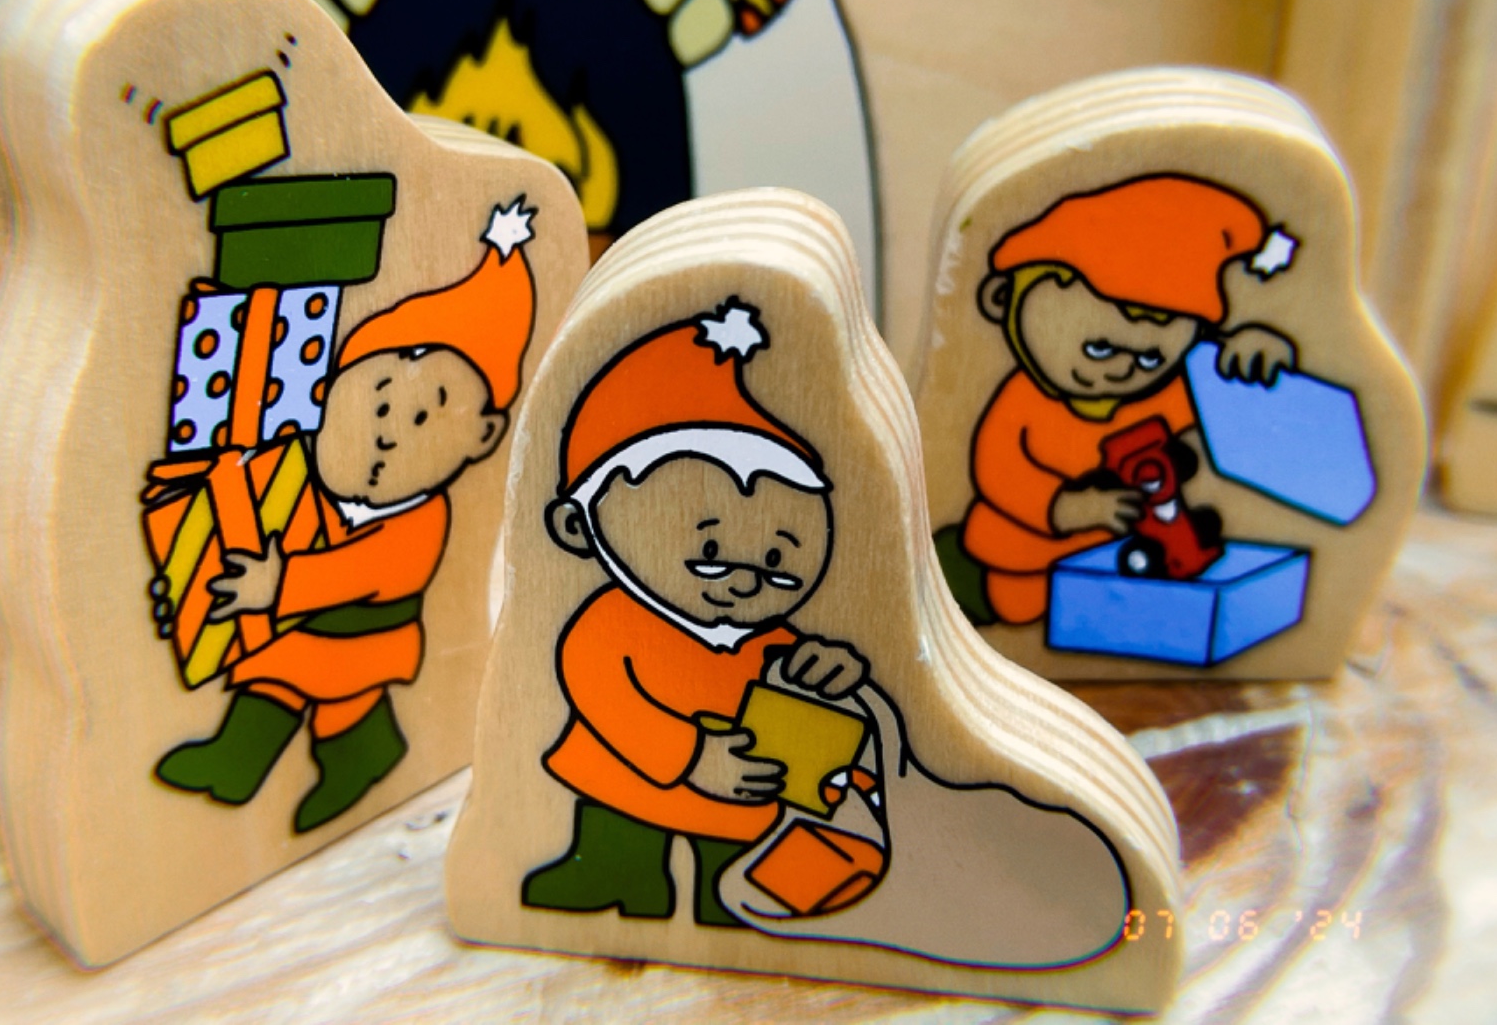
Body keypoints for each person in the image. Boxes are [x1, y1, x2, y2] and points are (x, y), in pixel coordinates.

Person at [156, 225, 535, 832]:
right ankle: (234, 764)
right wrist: (192, 578)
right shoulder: (303, 482)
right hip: (297, 625)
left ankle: (356, 760)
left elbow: (363, 571)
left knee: (336, 700)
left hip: (362, 639)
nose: (388, 430)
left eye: (423, 415)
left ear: (483, 435)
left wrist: (279, 585)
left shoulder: (419, 520)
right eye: (379, 402)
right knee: (275, 676)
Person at [523, 299, 869, 926]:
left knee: (732, 879)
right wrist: (690, 757)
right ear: (578, 526)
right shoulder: (609, 624)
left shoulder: (767, 637)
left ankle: (725, 910)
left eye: (776, 561)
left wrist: (829, 668)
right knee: (617, 837)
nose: (746, 581)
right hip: (623, 778)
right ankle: (615, 879)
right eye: (709, 554)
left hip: (740, 795)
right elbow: (603, 695)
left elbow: (791, 670)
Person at [936, 174, 1299, 627]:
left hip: (1122, 556)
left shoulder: (1166, 395)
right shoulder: (1021, 405)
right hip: (1027, 559)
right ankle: (955, 576)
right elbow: (1002, 473)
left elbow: (1224, 407)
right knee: (1019, 605)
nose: (1125, 370)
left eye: (1150, 357)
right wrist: (1070, 509)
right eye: (1099, 348)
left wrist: (1252, 352)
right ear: (1001, 299)